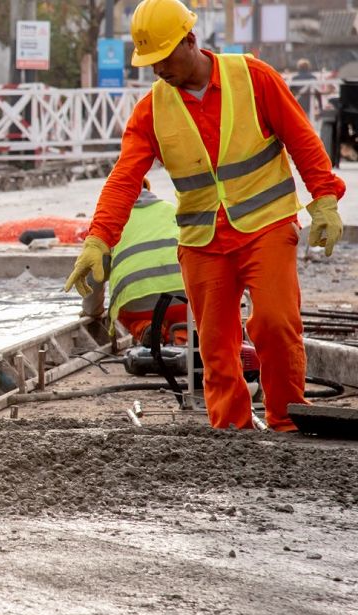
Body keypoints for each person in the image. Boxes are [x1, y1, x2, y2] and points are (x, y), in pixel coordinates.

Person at [64, 0, 346, 432]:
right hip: (201, 241)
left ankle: (288, 421)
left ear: (190, 41)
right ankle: (232, 430)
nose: (157, 70)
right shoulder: (151, 111)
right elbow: (124, 179)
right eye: (150, 62)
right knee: (214, 346)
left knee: (275, 324)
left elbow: (302, 140)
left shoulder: (253, 78)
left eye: (162, 58)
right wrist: (98, 239)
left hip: (265, 226)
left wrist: (324, 198)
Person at [82, 179, 188, 346]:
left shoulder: (107, 224)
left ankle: (145, 327)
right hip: (185, 298)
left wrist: (92, 311)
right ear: (148, 190)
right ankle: (182, 334)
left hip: (137, 304)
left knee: (125, 311)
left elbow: (95, 275)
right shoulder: (171, 210)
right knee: (184, 315)